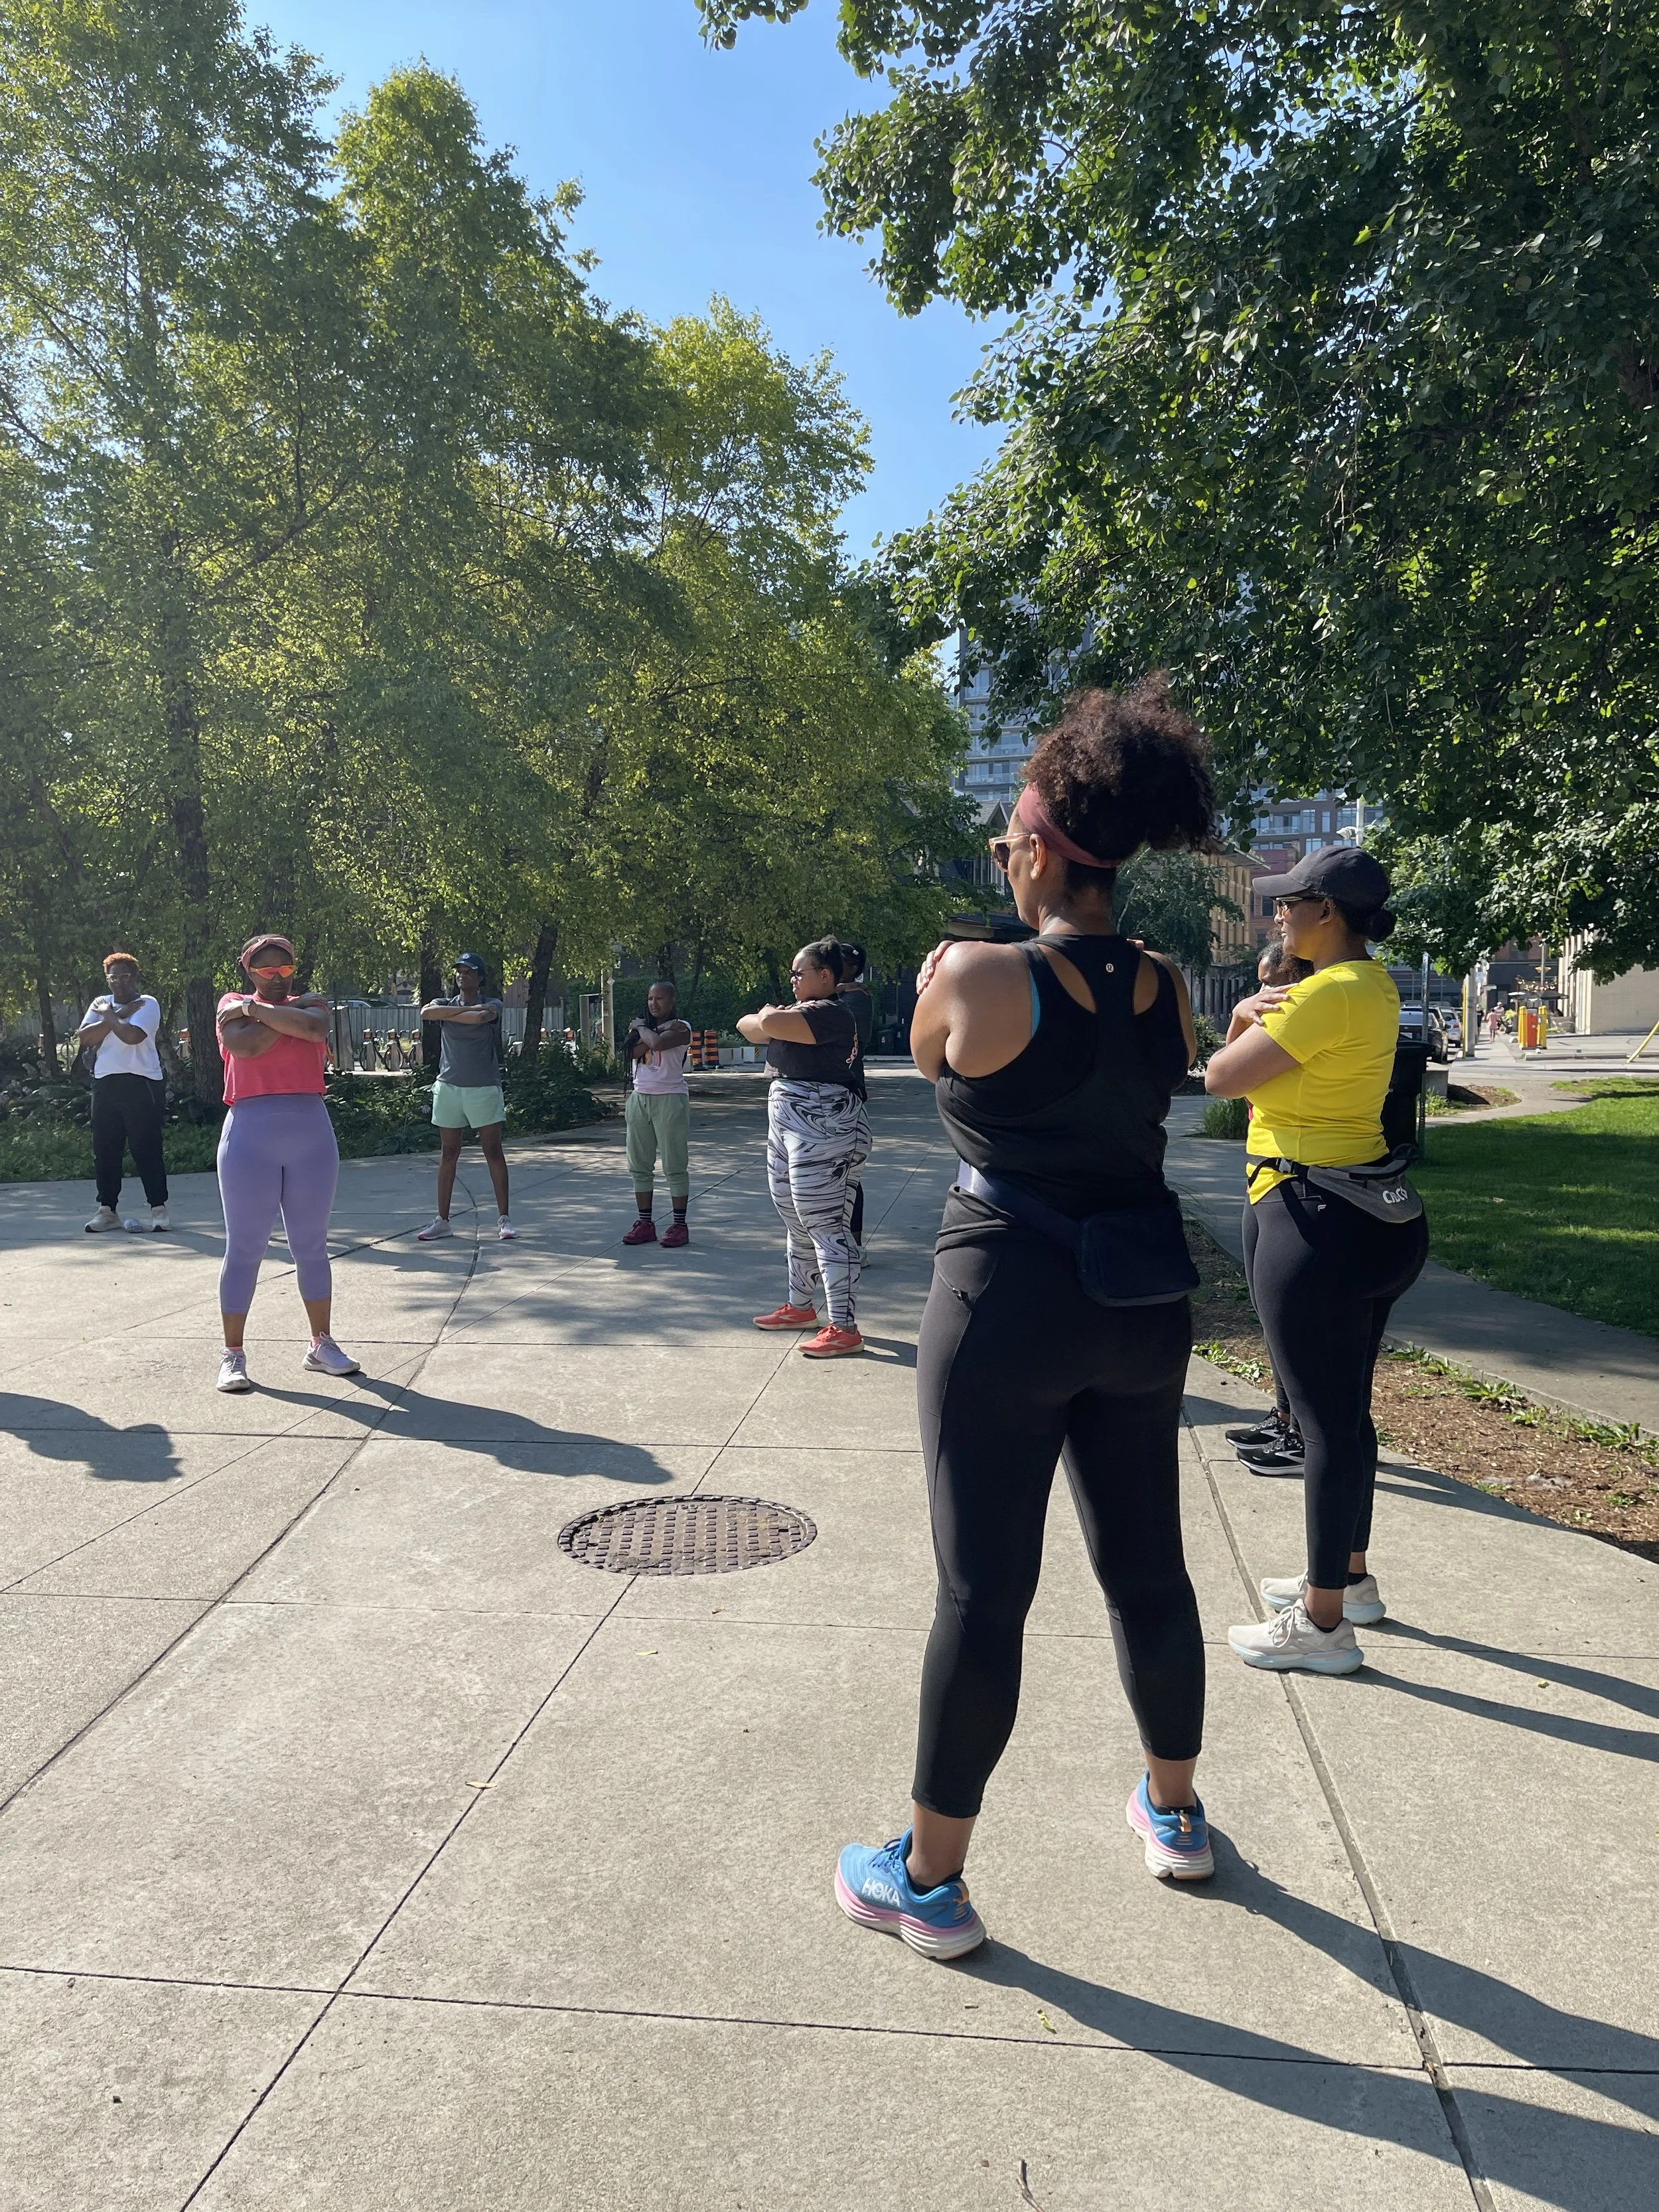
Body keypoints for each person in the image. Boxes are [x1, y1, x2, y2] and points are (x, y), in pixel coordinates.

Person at [835, 679, 1215, 1962]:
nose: (1003, 853)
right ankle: (1175, 1813)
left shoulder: (980, 973)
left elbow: (936, 1062)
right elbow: (1160, 1076)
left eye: (1007, 836)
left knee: (983, 1591)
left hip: (1004, 1301)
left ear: (1042, 846)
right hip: (1141, 1305)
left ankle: (928, 1881)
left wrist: (962, 968)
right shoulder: (1165, 984)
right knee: (1148, 1568)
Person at [1204, 846, 1429, 1675]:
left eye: (1285, 904)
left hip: (1310, 1216)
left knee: (1319, 1422)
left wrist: (1238, 1018)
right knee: (1345, 1412)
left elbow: (1219, 1077)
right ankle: (1348, 1578)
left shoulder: (1326, 991)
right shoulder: (1371, 985)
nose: (1275, 916)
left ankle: (1324, 1626)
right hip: (1368, 1214)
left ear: (1325, 911)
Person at [214, 934, 358, 1393]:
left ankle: (322, 1343)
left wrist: (259, 1012)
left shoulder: (311, 1006)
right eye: (265, 971)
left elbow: (315, 1031)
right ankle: (233, 1353)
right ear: (249, 972)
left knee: (311, 1245)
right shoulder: (231, 1002)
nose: (276, 978)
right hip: (248, 1137)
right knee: (245, 1248)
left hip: (310, 1134)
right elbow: (246, 1047)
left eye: (285, 970)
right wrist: (279, 1015)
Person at [739, 938, 869, 1357]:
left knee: (825, 1224)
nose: (793, 981)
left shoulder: (831, 1013)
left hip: (825, 1124)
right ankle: (800, 1307)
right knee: (794, 1217)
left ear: (826, 976)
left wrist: (771, 1018)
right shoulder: (799, 1014)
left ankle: (844, 1326)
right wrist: (769, 1019)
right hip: (788, 1123)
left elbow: (766, 1026)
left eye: (800, 973)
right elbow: (748, 1025)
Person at [1226, 932, 1315, 1475]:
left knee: (1293, 1317)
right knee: (1268, 1308)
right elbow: (1227, 1072)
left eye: (1272, 984)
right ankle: (1284, 1417)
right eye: (1257, 984)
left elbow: (1222, 1076)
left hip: (1296, 1179)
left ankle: (1303, 1431)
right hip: (1264, 1176)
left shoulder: (1304, 1021)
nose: (1263, 993)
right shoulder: (1269, 1019)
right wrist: (1241, 1012)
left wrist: (1247, 1018)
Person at [417, 954, 516, 1243]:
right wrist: (460, 1014)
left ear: (480, 977)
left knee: (493, 1151)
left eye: (469, 971)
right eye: (459, 971)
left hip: (484, 1087)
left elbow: (482, 1017)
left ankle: (504, 1220)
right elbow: (426, 1013)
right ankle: (443, 1220)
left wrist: (451, 1015)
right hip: (448, 1087)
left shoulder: (493, 1003)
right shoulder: (443, 1002)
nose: (462, 975)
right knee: (448, 1153)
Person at [77, 951, 170, 1233]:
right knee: (105, 1150)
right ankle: (108, 1211)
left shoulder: (147, 1004)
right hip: (106, 1083)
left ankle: (159, 1209)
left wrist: (108, 1018)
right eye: (112, 977)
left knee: (146, 1148)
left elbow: (132, 1038)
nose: (118, 982)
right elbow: (84, 1038)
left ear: (135, 977)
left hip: (142, 1082)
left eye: (124, 976)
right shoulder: (100, 1004)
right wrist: (114, 1015)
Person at [622, 981, 693, 1247]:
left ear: (672, 1000)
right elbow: (634, 1050)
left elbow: (658, 1045)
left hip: (670, 1098)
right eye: (650, 998)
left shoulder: (682, 1027)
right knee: (639, 1165)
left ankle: (679, 1224)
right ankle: (645, 1223)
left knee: (674, 1165)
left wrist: (641, 1027)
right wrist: (653, 1032)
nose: (654, 1003)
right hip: (640, 1099)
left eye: (660, 998)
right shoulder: (656, 1029)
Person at [836, 942, 875, 1258]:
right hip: (815, 1095)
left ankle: (854, 1243)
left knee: (848, 1173)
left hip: (846, 1092)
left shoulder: (856, 998)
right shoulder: (834, 994)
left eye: (844, 962)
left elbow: (845, 1034)